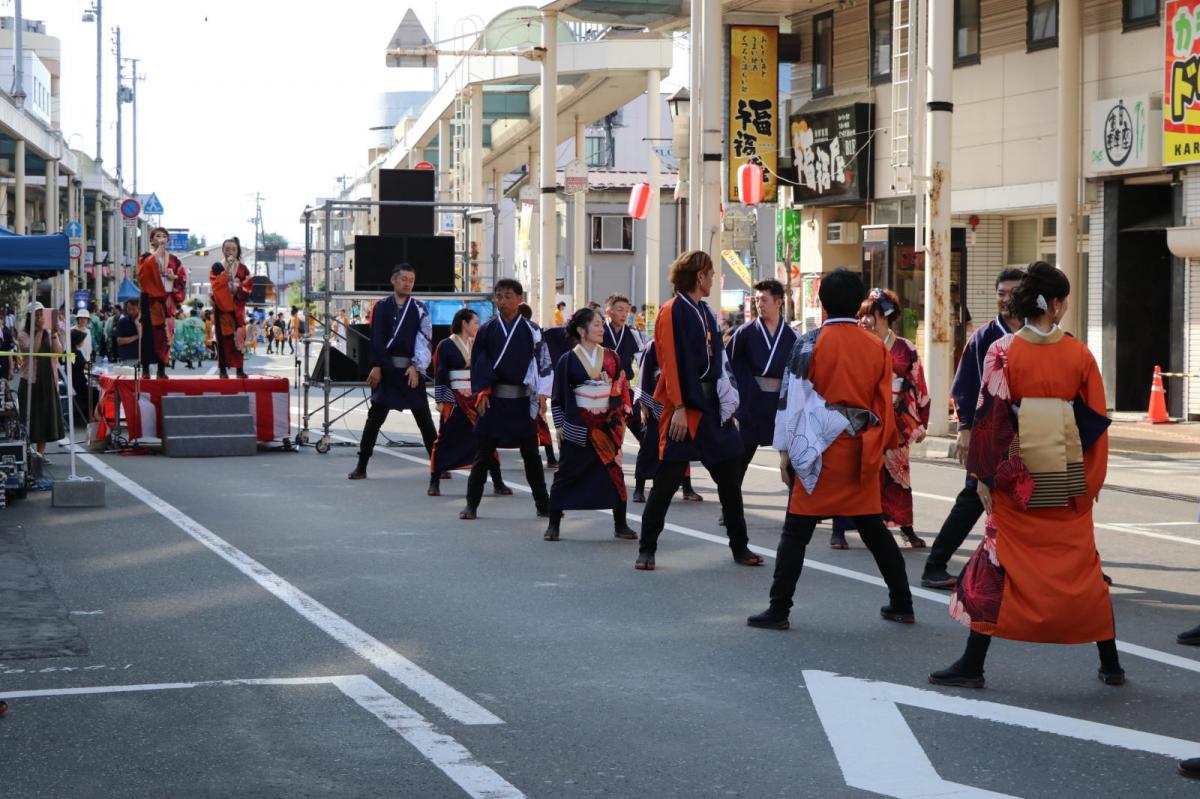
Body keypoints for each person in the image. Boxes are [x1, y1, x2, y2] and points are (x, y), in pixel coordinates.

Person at [929, 261, 1123, 689]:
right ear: (1054, 305)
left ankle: (972, 665)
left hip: (1018, 479)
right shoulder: (1079, 354)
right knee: (1082, 568)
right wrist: (1091, 480)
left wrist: (983, 476)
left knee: (997, 567)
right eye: (1064, 301)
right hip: (1067, 475)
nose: (1065, 308)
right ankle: (1111, 664)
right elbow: (1094, 421)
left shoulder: (1004, 351)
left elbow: (991, 418)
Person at [747, 268, 915, 629]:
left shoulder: (808, 342)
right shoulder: (875, 346)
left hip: (816, 451)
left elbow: (792, 401)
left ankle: (779, 609)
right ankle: (902, 602)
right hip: (859, 450)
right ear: (858, 304)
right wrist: (879, 447)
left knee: (796, 532)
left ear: (822, 301)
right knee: (873, 528)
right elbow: (884, 405)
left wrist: (785, 451)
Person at [634, 250, 763, 571]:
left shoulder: (705, 311)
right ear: (698, 275)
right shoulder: (672, 311)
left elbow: (719, 360)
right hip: (685, 406)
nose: (712, 279)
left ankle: (740, 546)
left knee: (730, 478)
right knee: (666, 481)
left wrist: (728, 400)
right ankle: (646, 548)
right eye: (709, 273)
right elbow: (670, 363)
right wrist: (677, 406)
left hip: (712, 406)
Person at [920, 268, 1025, 589]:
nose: (1005, 300)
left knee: (1037, 499)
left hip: (1029, 431)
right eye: (1001, 293)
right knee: (973, 498)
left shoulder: (1036, 333)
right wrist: (965, 429)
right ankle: (936, 564)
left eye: (1012, 293)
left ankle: (1072, 566)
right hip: (989, 432)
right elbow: (965, 385)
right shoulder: (984, 336)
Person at [830, 288, 930, 549]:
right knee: (853, 474)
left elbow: (915, 384)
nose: (863, 321)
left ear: (886, 317)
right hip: (861, 417)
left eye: (870, 315)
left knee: (898, 476)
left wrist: (915, 421)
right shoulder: (855, 345)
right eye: (861, 316)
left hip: (895, 418)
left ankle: (905, 527)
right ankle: (839, 529)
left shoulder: (905, 349)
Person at [459, 278, 551, 520]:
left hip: (521, 401)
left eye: (508, 296)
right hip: (494, 399)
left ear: (520, 299)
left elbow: (543, 363)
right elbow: (479, 363)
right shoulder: (488, 330)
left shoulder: (532, 330)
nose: (502, 301)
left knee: (531, 455)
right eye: (498, 296)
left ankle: (543, 504)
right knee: (482, 455)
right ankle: (471, 504)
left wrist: (542, 394)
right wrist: (482, 391)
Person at [544, 307, 638, 542]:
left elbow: (621, 386)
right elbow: (558, 398)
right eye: (596, 325)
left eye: (601, 325)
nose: (601, 329)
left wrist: (618, 419)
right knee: (566, 474)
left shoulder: (612, 357)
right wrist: (561, 427)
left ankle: (620, 524)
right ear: (581, 330)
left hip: (607, 427)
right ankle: (553, 523)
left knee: (613, 474)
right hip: (578, 426)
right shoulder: (567, 360)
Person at [347, 263, 438, 479]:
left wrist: (417, 366)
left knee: (425, 420)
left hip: (410, 372)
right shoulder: (381, 306)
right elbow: (376, 338)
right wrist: (377, 366)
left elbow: (425, 339)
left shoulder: (419, 308)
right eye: (404, 278)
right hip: (387, 371)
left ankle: (438, 464)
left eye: (411, 280)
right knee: (374, 419)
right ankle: (362, 465)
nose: (408, 283)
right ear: (393, 280)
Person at [725, 278, 797, 526]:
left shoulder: (792, 336)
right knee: (739, 459)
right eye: (756, 300)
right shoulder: (744, 333)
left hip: (780, 404)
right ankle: (730, 509)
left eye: (764, 300)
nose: (759, 304)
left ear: (779, 302)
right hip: (752, 402)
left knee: (793, 459)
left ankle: (796, 509)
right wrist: (734, 401)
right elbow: (728, 366)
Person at [428, 308, 509, 496]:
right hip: (455, 399)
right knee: (446, 438)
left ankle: (498, 482)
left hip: (475, 398)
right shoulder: (445, 345)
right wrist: (442, 400)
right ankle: (434, 481)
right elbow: (440, 374)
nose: (477, 327)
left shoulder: (477, 344)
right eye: (475, 323)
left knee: (487, 439)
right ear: (464, 323)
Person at [630, 338, 703, 504]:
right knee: (649, 445)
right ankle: (639, 487)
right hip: (655, 401)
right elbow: (643, 375)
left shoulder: (685, 343)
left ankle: (687, 487)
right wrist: (643, 404)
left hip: (680, 403)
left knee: (682, 444)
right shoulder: (653, 345)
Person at [17, 303, 65, 460]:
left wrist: (53, 333)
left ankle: (40, 454)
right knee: (30, 418)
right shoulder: (23, 335)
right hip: (31, 381)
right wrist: (40, 331)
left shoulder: (48, 332)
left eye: (41, 314)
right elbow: (33, 351)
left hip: (47, 380)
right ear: (30, 317)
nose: (39, 318)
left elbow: (58, 352)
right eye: (36, 315)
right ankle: (28, 453)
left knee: (45, 417)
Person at [136, 227, 186, 379]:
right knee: (148, 335)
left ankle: (161, 369)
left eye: (164, 236)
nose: (161, 239)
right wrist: (158, 251)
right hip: (150, 300)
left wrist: (174, 277)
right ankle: (145, 369)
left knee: (165, 335)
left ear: (168, 240)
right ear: (151, 240)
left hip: (167, 300)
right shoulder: (145, 256)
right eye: (158, 236)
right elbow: (143, 274)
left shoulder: (174, 260)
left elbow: (182, 279)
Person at [519, 303, 559, 469]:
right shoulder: (534, 328)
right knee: (539, 422)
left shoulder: (529, 328)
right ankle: (549, 457)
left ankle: (533, 456)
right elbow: (545, 361)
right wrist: (543, 391)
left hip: (523, 383)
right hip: (534, 384)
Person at [602, 293, 645, 443]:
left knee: (644, 432)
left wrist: (643, 397)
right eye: (620, 310)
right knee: (606, 438)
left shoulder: (633, 334)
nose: (624, 314)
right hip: (602, 390)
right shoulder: (598, 332)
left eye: (627, 311)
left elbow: (643, 362)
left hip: (625, 390)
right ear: (608, 311)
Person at [210, 238, 253, 378]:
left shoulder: (243, 269)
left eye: (233, 249)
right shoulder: (217, 267)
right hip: (222, 310)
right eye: (227, 249)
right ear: (223, 251)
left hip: (237, 309)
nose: (230, 252)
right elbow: (215, 286)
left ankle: (239, 370)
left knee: (239, 338)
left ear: (237, 251)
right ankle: (223, 370)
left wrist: (236, 288)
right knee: (222, 339)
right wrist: (226, 273)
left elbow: (247, 287)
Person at [113, 299, 142, 364]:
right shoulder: (122, 322)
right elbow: (119, 341)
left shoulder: (144, 321)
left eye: (133, 309)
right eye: (129, 309)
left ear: (139, 309)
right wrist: (137, 336)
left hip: (144, 358)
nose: (131, 311)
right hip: (128, 358)